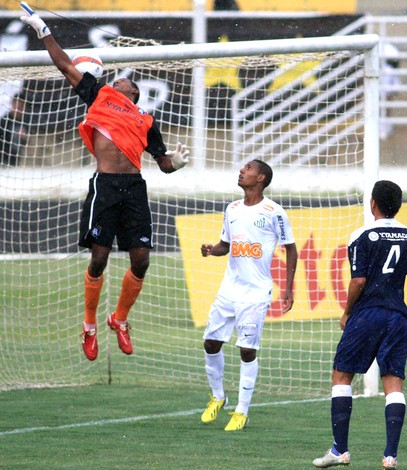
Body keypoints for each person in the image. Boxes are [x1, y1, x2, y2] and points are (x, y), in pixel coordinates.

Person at [20, 3, 190, 361]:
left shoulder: (145, 119)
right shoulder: (100, 95)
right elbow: (65, 64)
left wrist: (174, 161)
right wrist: (43, 30)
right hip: (106, 185)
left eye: (124, 81)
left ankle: (120, 319)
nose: (118, 80)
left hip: (135, 188)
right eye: (115, 79)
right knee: (99, 258)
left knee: (141, 259)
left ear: (135, 93)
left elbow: (162, 164)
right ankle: (90, 326)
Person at [312, 180, 407, 470]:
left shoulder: (361, 235)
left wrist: (347, 312)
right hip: (396, 316)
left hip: (367, 314)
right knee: (394, 384)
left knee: (341, 377)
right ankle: (390, 456)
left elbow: (358, 280)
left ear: (372, 203)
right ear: (397, 205)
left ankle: (340, 450)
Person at [199, 159, 297, 431]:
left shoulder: (274, 212)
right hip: (229, 289)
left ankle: (241, 411)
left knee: (246, 349)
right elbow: (225, 245)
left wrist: (288, 288)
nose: (242, 171)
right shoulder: (231, 209)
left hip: (255, 292)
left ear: (261, 178)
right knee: (210, 343)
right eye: (243, 169)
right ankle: (218, 396)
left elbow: (291, 249)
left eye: (249, 169)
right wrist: (211, 250)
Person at [0, 96, 28, 166]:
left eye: (20, 106)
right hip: (6, 156)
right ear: (12, 105)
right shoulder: (5, 121)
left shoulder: (28, 120)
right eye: (16, 106)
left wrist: (25, 137)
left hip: (24, 156)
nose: (18, 109)